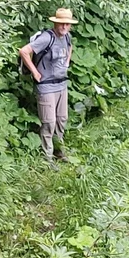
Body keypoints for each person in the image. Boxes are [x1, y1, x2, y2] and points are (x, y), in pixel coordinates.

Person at [19, 8, 77, 161]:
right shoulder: (46, 38)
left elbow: (70, 47)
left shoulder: (67, 37)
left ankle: (59, 151)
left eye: (67, 24)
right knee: (49, 122)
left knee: (62, 119)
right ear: (55, 23)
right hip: (46, 86)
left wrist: (66, 63)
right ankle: (48, 158)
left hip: (61, 84)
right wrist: (35, 72)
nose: (64, 27)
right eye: (61, 24)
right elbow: (24, 51)